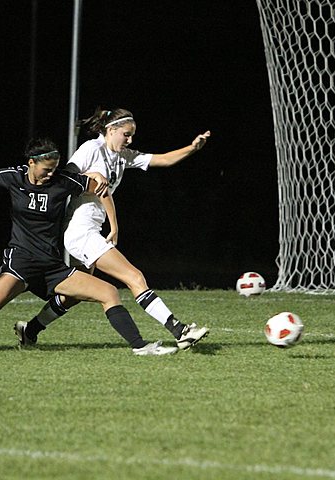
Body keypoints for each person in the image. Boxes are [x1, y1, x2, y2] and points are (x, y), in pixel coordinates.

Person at [0, 139, 177, 356]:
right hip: (21, 263)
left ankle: (141, 347)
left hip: (51, 266)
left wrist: (112, 222)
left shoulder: (63, 181)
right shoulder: (13, 177)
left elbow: (100, 187)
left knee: (109, 292)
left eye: (55, 168)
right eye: (46, 169)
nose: (51, 173)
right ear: (31, 163)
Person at [15, 107, 211, 351]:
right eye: (126, 135)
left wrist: (192, 148)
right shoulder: (91, 149)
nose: (130, 140)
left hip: (88, 231)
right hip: (81, 231)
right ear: (111, 130)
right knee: (134, 276)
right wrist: (93, 176)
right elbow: (64, 178)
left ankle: (30, 330)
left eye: (131, 136)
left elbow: (162, 159)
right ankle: (179, 330)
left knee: (73, 295)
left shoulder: (121, 156)